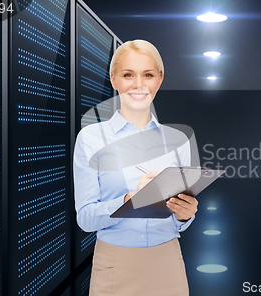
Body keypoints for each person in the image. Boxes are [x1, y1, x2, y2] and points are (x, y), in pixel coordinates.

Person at [73, 39, 198, 296]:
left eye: (148, 75)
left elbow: (179, 221)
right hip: (115, 266)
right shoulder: (90, 138)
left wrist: (186, 214)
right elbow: (85, 218)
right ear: (114, 79)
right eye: (128, 74)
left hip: (168, 264)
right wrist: (130, 200)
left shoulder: (179, 141)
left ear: (159, 79)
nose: (139, 84)